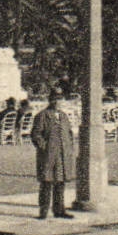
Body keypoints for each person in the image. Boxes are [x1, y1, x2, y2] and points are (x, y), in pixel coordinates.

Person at [30, 88, 75, 220]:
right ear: (50, 100)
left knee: (60, 183)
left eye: (60, 99)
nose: (58, 102)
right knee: (46, 183)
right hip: (48, 156)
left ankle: (59, 210)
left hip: (62, 155)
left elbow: (69, 134)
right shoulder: (42, 116)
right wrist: (44, 147)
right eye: (55, 99)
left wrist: (69, 147)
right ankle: (43, 212)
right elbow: (35, 135)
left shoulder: (64, 116)